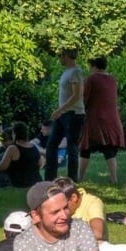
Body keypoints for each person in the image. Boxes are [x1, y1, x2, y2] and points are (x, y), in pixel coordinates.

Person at [79, 56, 125, 184]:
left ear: (94, 66)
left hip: (95, 117)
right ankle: (114, 177)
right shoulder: (112, 79)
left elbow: (85, 98)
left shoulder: (92, 79)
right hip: (112, 118)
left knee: (85, 147)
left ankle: (80, 177)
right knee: (108, 149)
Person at [43, 48, 87, 180]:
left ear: (67, 56)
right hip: (64, 114)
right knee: (52, 144)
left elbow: (76, 95)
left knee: (72, 145)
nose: (59, 58)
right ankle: (50, 178)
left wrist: (60, 109)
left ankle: (72, 178)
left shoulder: (76, 72)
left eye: (61, 55)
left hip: (74, 113)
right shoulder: (67, 72)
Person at [0, 122, 43, 190]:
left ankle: (0, 187)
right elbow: (40, 164)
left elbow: (1, 167)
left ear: (14, 134)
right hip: (36, 182)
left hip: (21, 184)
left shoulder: (13, 148)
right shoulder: (33, 147)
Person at [59, 177, 107, 241]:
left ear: (74, 198)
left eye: (64, 207)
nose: (61, 212)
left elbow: (97, 233)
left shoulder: (93, 203)